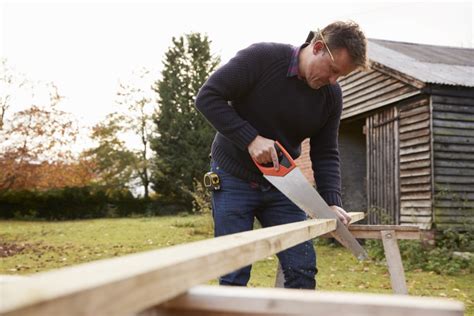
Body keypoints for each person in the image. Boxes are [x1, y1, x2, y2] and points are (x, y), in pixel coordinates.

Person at [195, 21, 368, 289]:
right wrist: (249, 138)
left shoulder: (331, 96)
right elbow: (207, 97)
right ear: (318, 47)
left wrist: (331, 201)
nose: (333, 81)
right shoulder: (262, 58)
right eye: (333, 70)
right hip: (233, 177)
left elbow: (326, 152)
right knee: (234, 272)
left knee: (302, 269)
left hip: (282, 184)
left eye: (340, 77)